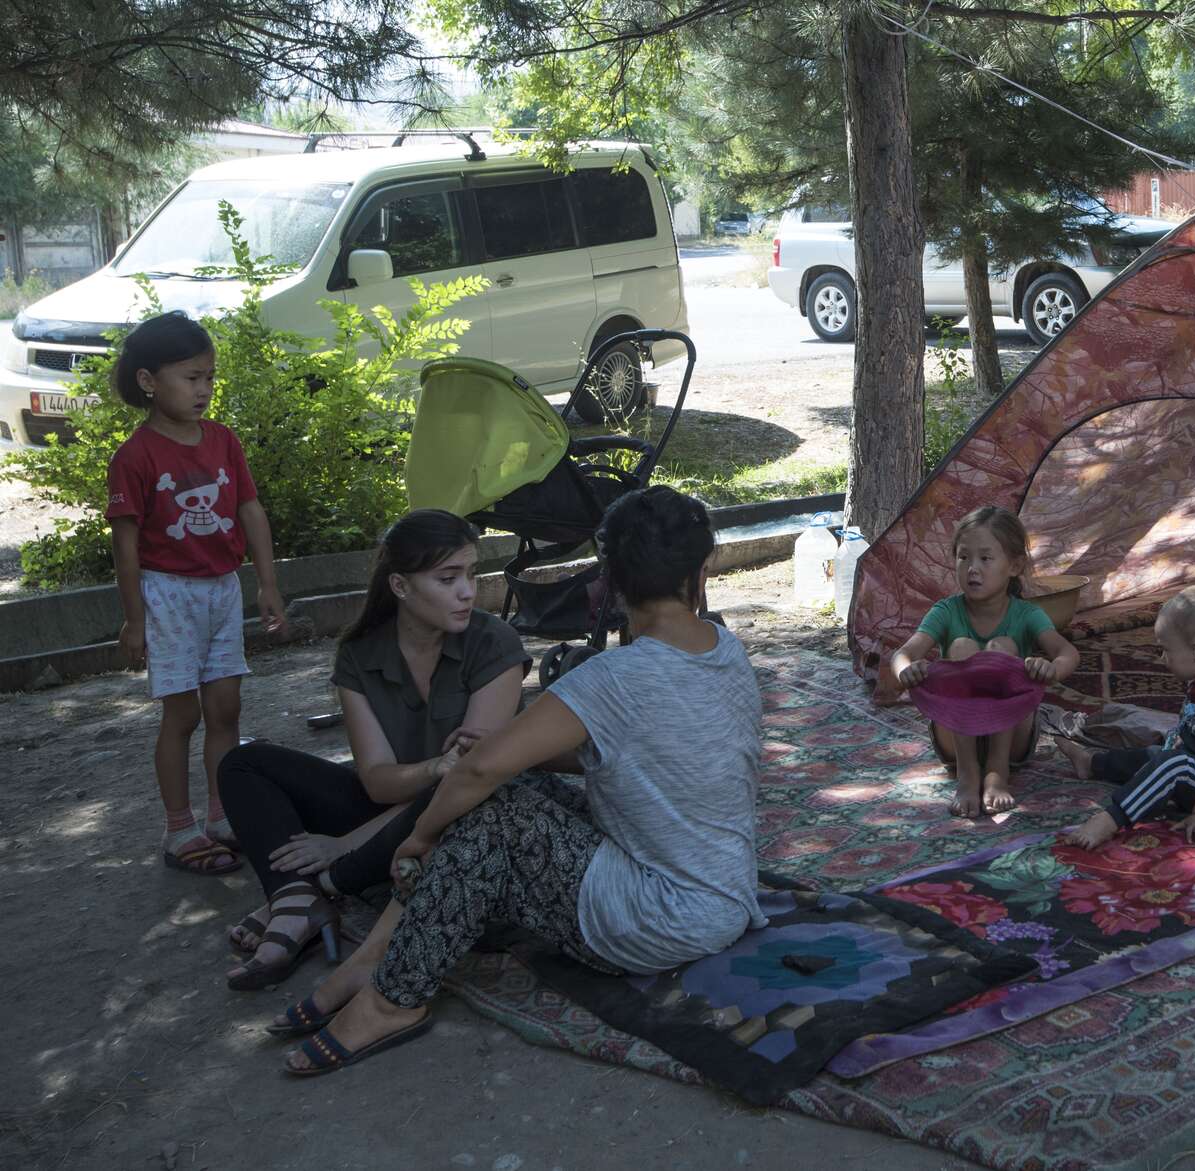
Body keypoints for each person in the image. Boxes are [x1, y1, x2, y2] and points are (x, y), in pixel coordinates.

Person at [280, 485, 764, 1075]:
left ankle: (391, 997)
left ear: (608, 574)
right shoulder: (726, 649)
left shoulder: (613, 676)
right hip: (723, 895)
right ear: (703, 566)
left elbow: (481, 770)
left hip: (661, 921)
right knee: (514, 785)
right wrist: (516, 756)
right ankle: (375, 958)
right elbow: (645, 752)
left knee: (491, 806)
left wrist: (420, 835)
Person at [215, 509, 530, 990]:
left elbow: (470, 781)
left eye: (470, 574)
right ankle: (300, 899)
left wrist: (345, 844)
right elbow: (378, 781)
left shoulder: (494, 644)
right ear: (401, 587)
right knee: (244, 764)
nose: (468, 591)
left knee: (466, 786)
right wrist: (432, 767)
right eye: (448, 578)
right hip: (393, 810)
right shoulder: (360, 655)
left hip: (466, 820)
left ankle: (307, 894)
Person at [106, 313, 287, 878]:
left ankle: (222, 815)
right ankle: (179, 828)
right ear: (148, 381)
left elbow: (249, 510)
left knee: (226, 710)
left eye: (209, 377)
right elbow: (126, 546)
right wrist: (135, 620)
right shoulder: (135, 457)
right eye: (191, 377)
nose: (204, 389)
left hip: (222, 591)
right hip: (169, 597)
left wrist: (268, 583)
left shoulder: (224, 441)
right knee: (181, 717)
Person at [884, 506, 1080, 817]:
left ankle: (997, 771)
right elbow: (903, 654)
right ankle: (968, 773)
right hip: (954, 741)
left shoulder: (1027, 614)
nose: (973, 568)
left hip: (1014, 737)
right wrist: (906, 670)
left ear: (1014, 565)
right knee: (962, 647)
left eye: (985, 559)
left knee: (1000, 648)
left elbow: (1068, 652)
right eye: (964, 558)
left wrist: (1051, 669)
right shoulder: (946, 611)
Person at [1058, 586, 1195, 849]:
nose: (1162, 658)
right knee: (1153, 756)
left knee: (1170, 765)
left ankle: (1111, 819)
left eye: (1166, 650)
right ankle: (1092, 763)